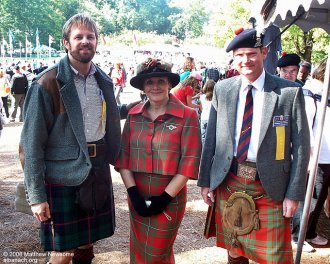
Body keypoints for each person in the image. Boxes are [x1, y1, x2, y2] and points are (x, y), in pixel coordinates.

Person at [19, 13, 132, 264]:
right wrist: (36, 196)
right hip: (62, 176)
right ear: (66, 43)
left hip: (97, 171)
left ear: (96, 42)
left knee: (86, 245)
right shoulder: (47, 83)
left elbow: (108, 115)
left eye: (90, 37)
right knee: (63, 253)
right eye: (78, 37)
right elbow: (31, 145)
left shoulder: (102, 80)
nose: (85, 41)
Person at [198, 28, 310, 264]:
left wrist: (294, 194)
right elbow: (212, 140)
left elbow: (300, 148)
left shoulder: (288, 91)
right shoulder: (223, 88)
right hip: (230, 179)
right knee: (234, 249)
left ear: (264, 52)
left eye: (251, 54)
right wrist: (205, 180)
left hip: (271, 187)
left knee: (275, 258)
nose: (245, 60)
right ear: (233, 58)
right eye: (239, 55)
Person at [115, 58, 202, 263]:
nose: (155, 87)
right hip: (136, 193)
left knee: (156, 254)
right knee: (138, 251)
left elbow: (189, 163)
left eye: (161, 81)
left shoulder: (187, 116)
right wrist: (133, 193)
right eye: (149, 82)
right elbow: (124, 158)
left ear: (170, 84)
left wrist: (164, 198)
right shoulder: (133, 116)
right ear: (143, 87)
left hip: (170, 198)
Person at [292, 57, 329, 248]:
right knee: (310, 198)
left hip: (325, 157)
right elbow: (304, 127)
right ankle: (299, 235)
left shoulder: (323, 91)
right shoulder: (311, 92)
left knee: (318, 197)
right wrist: (309, 156)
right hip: (316, 157)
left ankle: (310, 231)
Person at [200, 79, 215, 145]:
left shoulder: (201, 97)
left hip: (203, 118)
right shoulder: (215, 97)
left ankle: (203, 152)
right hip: (212, 119)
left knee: (203, 137)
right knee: (212, 137)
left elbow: (201, 109)